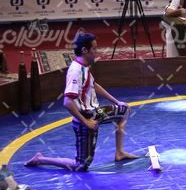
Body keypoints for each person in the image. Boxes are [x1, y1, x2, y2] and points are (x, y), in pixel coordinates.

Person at [25, 33, 138, 171]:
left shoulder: (84, 67)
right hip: (85, 118)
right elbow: (67, 102)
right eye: (94, 48)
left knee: (124, 110)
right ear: (85, 50)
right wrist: (86, 122)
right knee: (81, 165)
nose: (96, 52)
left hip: (96, 113)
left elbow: (93, 85)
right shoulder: (76, 71)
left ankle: (119, 153)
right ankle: (40, 159)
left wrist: (117, 101)